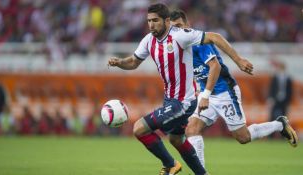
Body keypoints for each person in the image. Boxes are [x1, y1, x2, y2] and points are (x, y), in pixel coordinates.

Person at [108, 3, 252, 175]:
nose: (151, 25)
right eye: (149, 21)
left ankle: (170, 165)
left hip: (183, 103)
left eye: (155, 20)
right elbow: (133, 62)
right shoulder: (148, 40)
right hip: (170, 99)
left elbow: (215, 37)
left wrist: (239, 60)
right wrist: (120, 63)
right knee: (176, 139)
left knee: (139, 129)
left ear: (167, 21)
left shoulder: (180, 36)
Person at [169, 9, 299, 167]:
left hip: (224, 91)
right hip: (206, 93)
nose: (178, 30)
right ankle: (201, 172)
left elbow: (214, 67)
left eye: (180, 26)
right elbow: (193, 71)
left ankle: (279, 124)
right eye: (174, 28)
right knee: (192, 129)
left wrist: (206, 94)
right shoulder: (178, 46)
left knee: (243, 137)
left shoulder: (198, 42)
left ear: (188, 24)